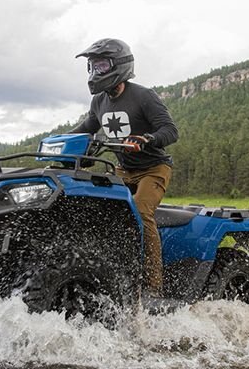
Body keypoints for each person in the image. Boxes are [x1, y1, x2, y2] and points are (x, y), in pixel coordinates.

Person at [68, 38, 179, 298]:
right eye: (93, 66)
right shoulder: (99, 103)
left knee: (140, 211)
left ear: (119, 65)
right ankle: (109, 273)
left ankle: (153, 286)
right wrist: (60, 143)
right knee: (101, 213)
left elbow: (170, 131)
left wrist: (148, 139)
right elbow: (85, 130)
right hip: (121, 171)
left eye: (102, 65)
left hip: (153, 168)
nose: (96, 72)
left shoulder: (143, 96)